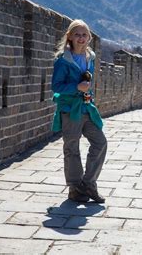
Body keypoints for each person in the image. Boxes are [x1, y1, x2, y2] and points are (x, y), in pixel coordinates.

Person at [51, 19, 107, 203]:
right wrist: (77, 87)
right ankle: (75, 189)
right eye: (77, 34)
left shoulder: (90, 57)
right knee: (72, 149)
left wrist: (86, 91)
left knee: (100, 142)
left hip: (86, 108)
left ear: (89, 37)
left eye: (84, 34)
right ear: (70, 37)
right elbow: (56, 86)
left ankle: (88, 183)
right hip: (70, 109)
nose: (81, 38)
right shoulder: (63, 60)